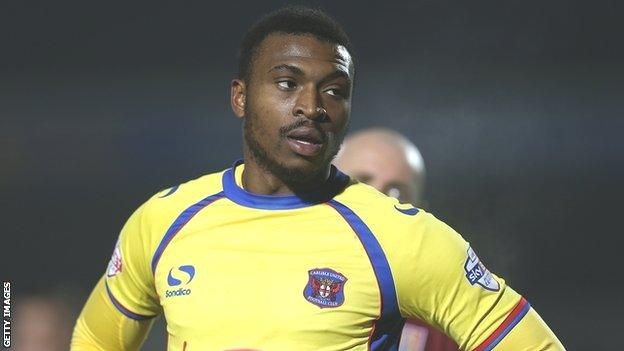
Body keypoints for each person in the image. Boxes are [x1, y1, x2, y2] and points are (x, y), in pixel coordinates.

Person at [71, 6, 565, 350]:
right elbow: (95, 339)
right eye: (288, 84)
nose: (312, 106)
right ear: (240, 97)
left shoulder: (402, 238)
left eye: (334, 90)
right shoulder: (164, 220)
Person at [334, 128, 458, 351]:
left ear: (421, 212)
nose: (379, 201)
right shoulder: (275, 280)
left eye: (397, 192)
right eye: (361, 183)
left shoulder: (448, 315)